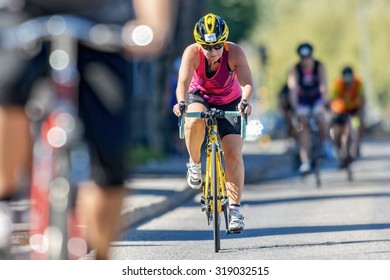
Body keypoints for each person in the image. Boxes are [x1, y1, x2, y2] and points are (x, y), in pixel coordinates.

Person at [0, 0, 178, 260]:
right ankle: (3, 203)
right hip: (22, 13)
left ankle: (101, 258)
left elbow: (153, 19)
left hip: (103, 23)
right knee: (8, 82)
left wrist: (155, 26)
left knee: (111, 144)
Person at [172, 13, 253, 233]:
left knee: (234, 154)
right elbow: (183, 81)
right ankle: (195, 163)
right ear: (200, 44)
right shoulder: (191, 53)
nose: (213, 51)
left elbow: (246, 82)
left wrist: (245, 101)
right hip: (200, 96)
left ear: (224, 42)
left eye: (217, 46)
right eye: (207, 47)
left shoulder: (235, 52)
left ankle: (235, 210)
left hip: (230, 101)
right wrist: (181, 102)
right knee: (193, 119)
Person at [287, 42, 333, 174]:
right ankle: (305, 161)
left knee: (321, 117)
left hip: (316, 98)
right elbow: (293, 90)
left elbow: (323, 85)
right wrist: (295, 107)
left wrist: (325, 101)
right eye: (303, 58)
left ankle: (326, 144)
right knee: (302, 126)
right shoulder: (295, 69)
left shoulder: (319, 66)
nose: (305, 61)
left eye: (307, 58)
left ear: (311, 57)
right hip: (302, 101)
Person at [330, 66, 365, 165]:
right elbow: (333, 99)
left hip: (354, 110)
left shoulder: (358, 83)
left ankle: (356, 146)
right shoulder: (337, 84)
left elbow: (362, 99)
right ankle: (338, 150)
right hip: (340, 111)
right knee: (336, 131)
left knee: (356, 126)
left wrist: (360, 113)